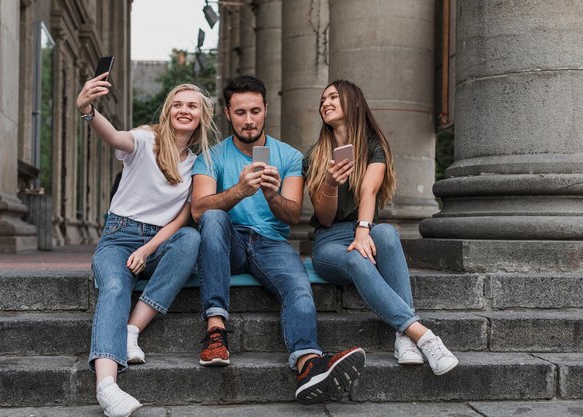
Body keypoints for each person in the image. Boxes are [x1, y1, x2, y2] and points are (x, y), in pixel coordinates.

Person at [191, 75, 366, 405]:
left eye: (255, 111)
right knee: (214, 216)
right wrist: (239, 191)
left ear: (266, 109)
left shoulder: (287, 156)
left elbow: (291, 215)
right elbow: (199, 210)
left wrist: (271, 194)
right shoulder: (211, 157)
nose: (249, 120)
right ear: (228, 114)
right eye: (240, 112)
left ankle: (308, 364)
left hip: (271, 244)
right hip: (228, 242)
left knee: (298, 285)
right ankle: (216, 331)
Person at [77, 73, 218, 417]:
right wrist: (88, 110)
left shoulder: (199, 163)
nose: (184, 110)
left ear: (202, 116)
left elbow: (180, 219)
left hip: (158, 241)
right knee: (113, 287)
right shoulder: (144, 139)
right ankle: (107, 387)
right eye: (178, 105)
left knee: (190, 238)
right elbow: (114, 135)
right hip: (118, 236)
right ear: (169, 110)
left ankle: (131, 330)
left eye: (192, 106)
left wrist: (147, 249)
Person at [304, 80, 459, 376]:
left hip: (363, 227)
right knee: (355, 257)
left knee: (386, 233)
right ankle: (422, 335)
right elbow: (324, 218)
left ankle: (403, 338)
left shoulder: (374, 146)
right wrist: (330, 184)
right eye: (322, 99)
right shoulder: (315, 155)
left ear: (355, 103)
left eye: (334, 97)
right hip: (328, 242)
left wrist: (363, 230)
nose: (325, 103)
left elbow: (368, 192)